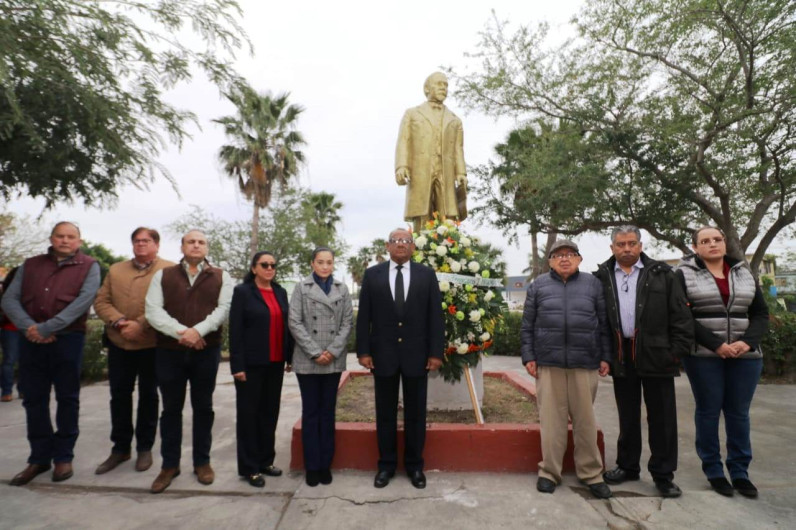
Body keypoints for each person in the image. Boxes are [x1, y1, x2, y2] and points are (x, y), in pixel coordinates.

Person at [594, 226, 693, 498]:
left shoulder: (663, 274)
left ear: (640, 245)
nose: (627, 248)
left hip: (658, 354)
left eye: (632, 243)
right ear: (612, 247)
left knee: (662, 418)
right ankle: (627, 466)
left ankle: (663, 474)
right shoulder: (601, 277)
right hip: (622, 355)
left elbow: (681, 317)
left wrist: (675, 353)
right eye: (621, 244)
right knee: (627, 416)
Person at [1, 222, 100, 485]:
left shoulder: (89, 266)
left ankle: (63, 457)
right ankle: (39, 458)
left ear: (79, 241)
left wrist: (47, 328)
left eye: (71, 237)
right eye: (60, 236)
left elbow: (83, 302)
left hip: (68, 339)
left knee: (68, 398)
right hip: (30, 339)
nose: (65, 240)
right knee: (33, 399)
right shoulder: (30, 265)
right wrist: (30, 328)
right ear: (52, 238)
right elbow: (9, 299)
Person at [676, 226, 769, 498]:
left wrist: (746, 342)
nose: (712, 244)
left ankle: (740, 472)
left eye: (717, 239)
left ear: (724, 243)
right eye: (705, 241)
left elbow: (761, 313)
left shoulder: (744, 272)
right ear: (695, 247)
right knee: (708, 411)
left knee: (738, 413)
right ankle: (714, 470)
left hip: (746, 356)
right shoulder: (683, 274)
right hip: (704, 356)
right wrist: (717, 345)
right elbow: (682, 316)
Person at [520, 239, 613, 499]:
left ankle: (592, 474)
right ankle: (549, 472)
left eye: (570, 254)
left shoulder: (592, 284)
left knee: (586, 421)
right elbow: (527, 325)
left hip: (585, 363)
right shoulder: (538, 285)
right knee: (552, 421)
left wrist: (606, 356)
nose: (564, 259)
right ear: (549, 261)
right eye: (558, 255)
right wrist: (529, 355)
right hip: (548, 364)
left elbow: (604, 324)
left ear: (579, 260)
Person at [145, 229, 233, 494]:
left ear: (207, 248)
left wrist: (198, 332)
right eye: (191, 241)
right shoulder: (164, 275)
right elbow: (153, 311)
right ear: (182, 246)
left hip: (206, 350)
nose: (196, 245)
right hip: (169, 351)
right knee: (171, 409)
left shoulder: (221, 276)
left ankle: (202, 462)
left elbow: (223, 309)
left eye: (201, 242)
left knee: (203, 407)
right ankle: (169, 466)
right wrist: (183, 333)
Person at [356, 228, 444, 489]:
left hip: (417, 357)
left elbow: (435, 318)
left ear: (413, 247)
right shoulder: (373, 276)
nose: (401, 245)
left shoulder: (426, 276)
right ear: (387, 246)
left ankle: (415, 466)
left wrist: (436, 353)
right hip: (383, 356)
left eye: (406, 241)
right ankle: (386, 466)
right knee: (385, 415)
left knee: (416, 415)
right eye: (396, 241)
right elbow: (364, 318)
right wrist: (363, 351)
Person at [93, 227, 175, 475]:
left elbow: (168, 304)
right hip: (119, 343)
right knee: (119, 396)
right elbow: (101, 301)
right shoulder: (116, 270)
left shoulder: (168, 270)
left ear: (156, 245)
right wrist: (119, 322)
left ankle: (144, 448)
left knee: (149, 396)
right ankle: (120, 448)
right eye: (137, 241)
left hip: (151, 344)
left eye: (146, 241)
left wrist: (140, 323)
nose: (141, 244)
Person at [289, 247, 353, 487]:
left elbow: (347, 322)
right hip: (308, 360)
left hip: (333, 360)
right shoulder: (301, 288)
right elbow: (294, 322)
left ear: (333, 264)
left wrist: (332, 351)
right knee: (311, 413)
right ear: (312, 264)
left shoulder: (342, 289)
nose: (325, 266)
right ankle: (311, 466)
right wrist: (315, 352)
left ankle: (325, 464)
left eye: (329, 262)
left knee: (327, 412)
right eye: (320, 262)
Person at [229, 251, 294, 488]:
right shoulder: (243, 292)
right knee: (249, 417)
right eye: (264, 264)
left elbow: (287, 326)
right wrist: (237, 365)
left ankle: (266, 461)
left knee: (269, 414)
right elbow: (235, 331)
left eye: (273, 265)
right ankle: (249, 467)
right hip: (251, 365)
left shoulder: (280, 292)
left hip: (275, 363)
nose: (269, 268)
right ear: (254, 268)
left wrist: (289, 356)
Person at [395, 72, 467, 232]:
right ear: (427, 88)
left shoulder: (455, 119)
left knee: (447, 214)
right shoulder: (412, 114)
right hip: (421, 171)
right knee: (422, 213)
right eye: (439, 84)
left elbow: (458, 149)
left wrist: (461, 172)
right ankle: (420, 252)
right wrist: (401, 166)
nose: (444, 88)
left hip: (445, 173)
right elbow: (403, 141)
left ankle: (449, 251)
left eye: (446, 85)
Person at [1, 267, 21, 402]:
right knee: (10, 360)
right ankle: (6, 391)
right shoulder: (5, 292)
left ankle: (24, 390)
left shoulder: (31, 291)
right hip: (10, 329)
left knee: (26, 361)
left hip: (29, 329)